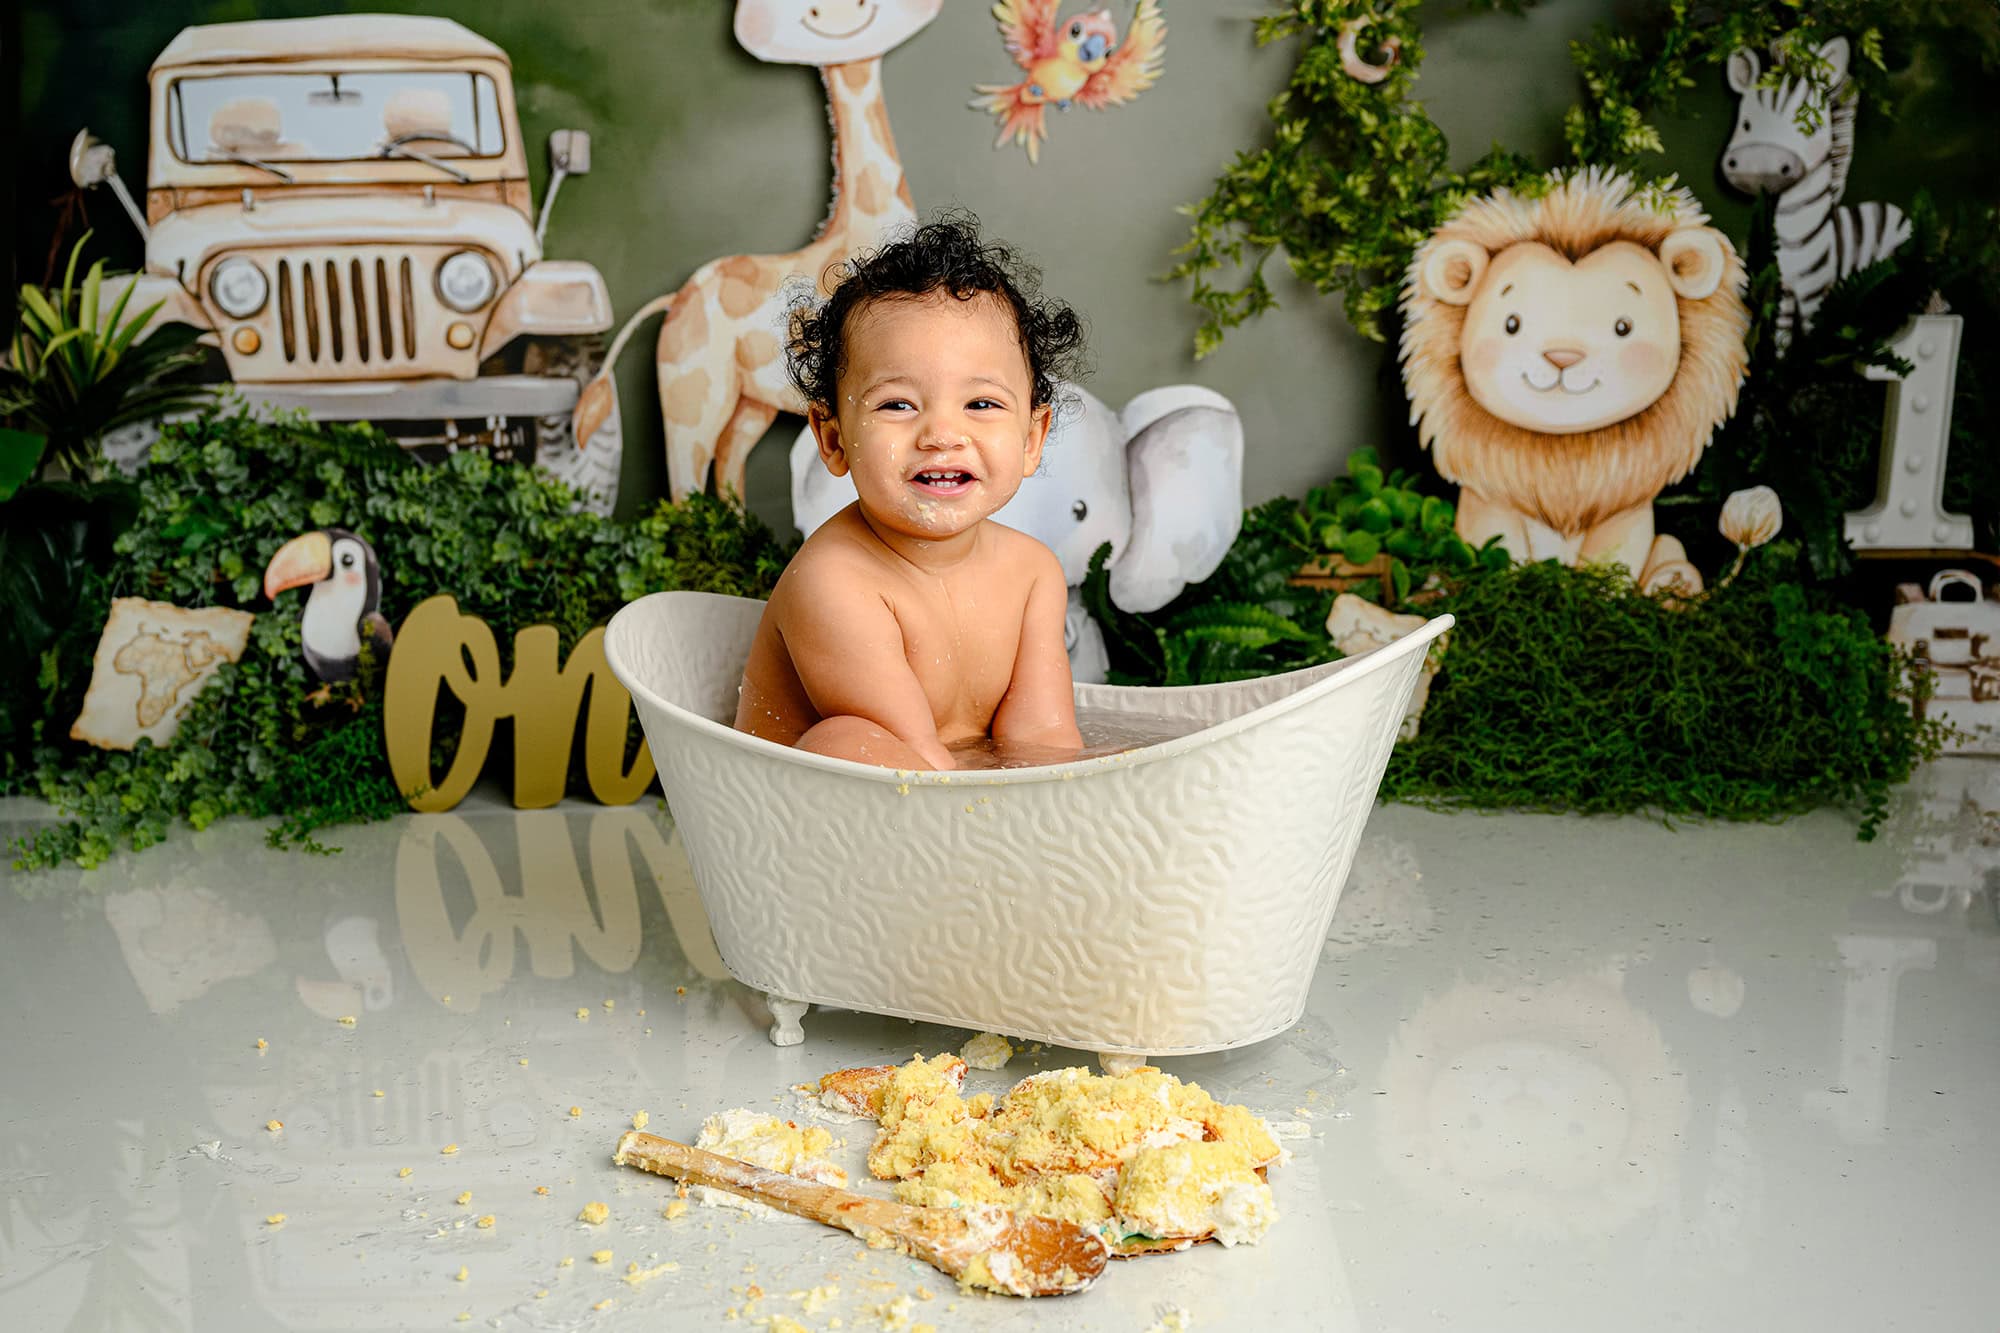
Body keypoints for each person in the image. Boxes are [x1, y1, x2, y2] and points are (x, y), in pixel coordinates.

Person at [733, 214, 1089, 771]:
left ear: (1031, 438)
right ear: (833, 439)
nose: (943, 436)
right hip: (800, 827)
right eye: (897, 404)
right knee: (847, 740)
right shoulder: (834, 582)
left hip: (951, 804)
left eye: (982, 404)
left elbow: (1045, 738)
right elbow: (916, 760)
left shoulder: (1032, 574)